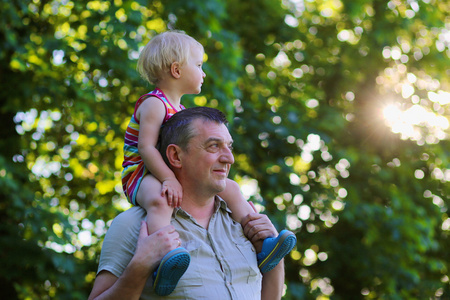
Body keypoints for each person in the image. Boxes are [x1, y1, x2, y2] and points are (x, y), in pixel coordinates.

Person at [121, 30, 296, 295]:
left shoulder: (181, 113)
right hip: (141, 173)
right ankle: (164, 260)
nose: (203, 72)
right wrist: (168, 178)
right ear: (177, 70)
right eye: (199, 65)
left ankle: (264, 244)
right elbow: (145, 148)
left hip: (164, 171)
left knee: (233, 188)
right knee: (160, 201)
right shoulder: (154, 103)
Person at [89, 107, 287, 299]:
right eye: (214, 146)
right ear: (176, 156)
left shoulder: (244, 221)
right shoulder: (133, 226)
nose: (229, 158)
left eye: (229, 146)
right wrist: (139, 267)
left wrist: (275, 257)